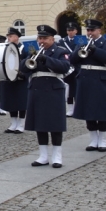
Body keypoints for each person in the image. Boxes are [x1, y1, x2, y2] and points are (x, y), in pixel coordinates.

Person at [22, 25, 71, 168]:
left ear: (52, 39)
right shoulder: (34, 51)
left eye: (45, 38)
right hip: (37, 89)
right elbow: (23, 68)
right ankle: (43, 156)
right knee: (40, 124)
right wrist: (30, 58)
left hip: (53, 90)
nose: (42, 41)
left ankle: (57, 156)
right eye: (40, 38)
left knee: (55, 124)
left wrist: (45, 59)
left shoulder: (60, 51)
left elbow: (65, 67)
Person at [71, 19, 106, 151]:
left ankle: (102, 140)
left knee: (102, 110)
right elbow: (73, 60)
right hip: (85, 79)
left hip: (101, 79)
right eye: (88, 30)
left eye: (92, 30)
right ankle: (93, 139)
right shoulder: (82, 44)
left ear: (99, 30)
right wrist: (79, 51)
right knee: (88, 110)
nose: (90, 32)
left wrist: (95, 50)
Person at [0, 27, 28, 133]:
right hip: (9, 78)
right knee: (11, 102)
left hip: (21, 79)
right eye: (8, 36)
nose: (8, 38)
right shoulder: (6, 47)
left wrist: (24, 74)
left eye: (11, 36)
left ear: (17, 37)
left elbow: (29, 63)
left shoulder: (24, 48)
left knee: (21, 102)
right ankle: (13, 123)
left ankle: (21, 124)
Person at [58, 22, 81, 116]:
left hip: (77, 66)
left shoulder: (80, 40)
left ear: (76, 31)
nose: (70, 32)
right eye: (69, 30)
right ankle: (70, 108)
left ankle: (78, 108)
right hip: (68, 67)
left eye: (72, 30)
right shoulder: (62, 41)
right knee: (69, 88)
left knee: (78, 88)